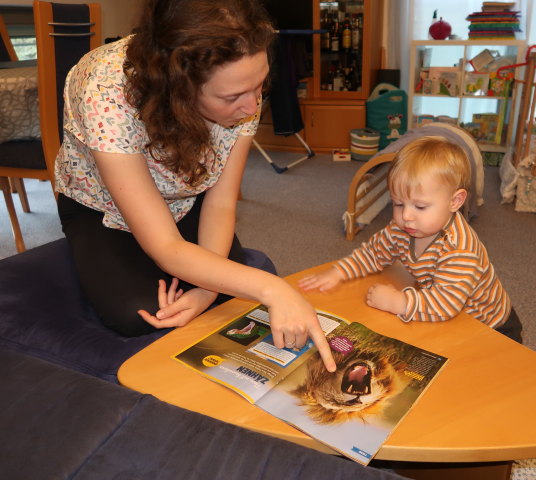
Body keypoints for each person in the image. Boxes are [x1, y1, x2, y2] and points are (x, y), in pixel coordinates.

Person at [54, 0, 335, 371]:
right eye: (232, 97)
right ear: (180, 87)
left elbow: (220, 203)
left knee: (219, 296)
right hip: (103, 206)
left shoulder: (243, 82)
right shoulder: (105, 91)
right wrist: (274, 288)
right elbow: (167, 248)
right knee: (138, 314)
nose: (252, 106)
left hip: (188, 197)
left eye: (260, 85)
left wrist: (207, 289)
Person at [299, 136, 522, 343]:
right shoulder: (402, 227)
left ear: (455, 201)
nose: (406, 215)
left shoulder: (459, 249)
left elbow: (445, 305)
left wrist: (399, 302)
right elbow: (374, 253)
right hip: (449, 317)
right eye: (398, 203)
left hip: (491, 328)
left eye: (420, 206)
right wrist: (339, 272)